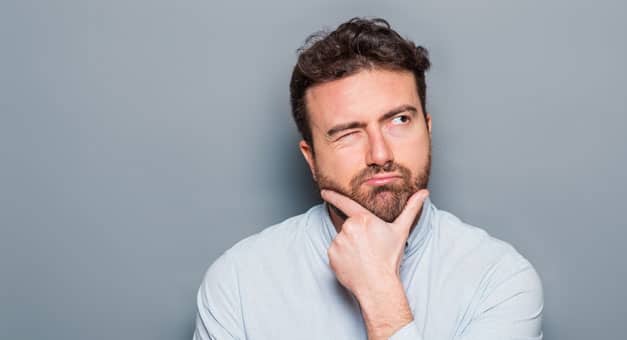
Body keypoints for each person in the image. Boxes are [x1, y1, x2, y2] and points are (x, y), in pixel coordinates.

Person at [193, 17, 543, 340]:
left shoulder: (500, 280)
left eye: (400, 120)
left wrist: (380, 294)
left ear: (428, 129)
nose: (380, 154)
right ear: (311, 158)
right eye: (348, 133)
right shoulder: (239, 283)